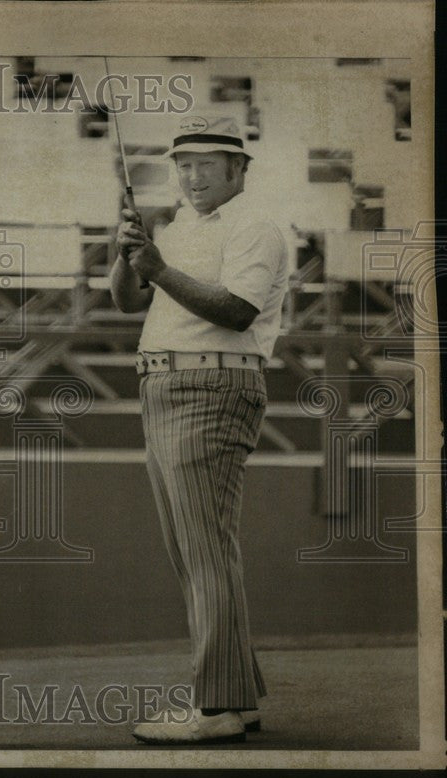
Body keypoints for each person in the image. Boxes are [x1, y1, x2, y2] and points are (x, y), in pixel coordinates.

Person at [110, 116, 288, 744]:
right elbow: (129, 303)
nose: (192, 175)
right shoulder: (178, 227)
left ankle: (215, 709)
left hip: (213, 384)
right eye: (183, 164)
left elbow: (236, 311)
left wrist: (156, 267)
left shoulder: (255, 226)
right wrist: (128, 252)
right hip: (163, 386)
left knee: (206, 553)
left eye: (207, 164)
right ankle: (233, 700)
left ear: (240, 169)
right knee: (195, 555)